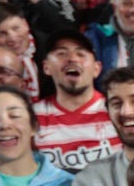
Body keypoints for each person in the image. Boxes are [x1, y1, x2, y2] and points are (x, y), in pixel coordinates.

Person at [34, 31, 119, 173]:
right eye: (61, 53)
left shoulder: (118, 110)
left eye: (81, 54)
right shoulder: (31, 116)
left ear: (97, 69)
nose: (73, 59)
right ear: (46, 67)